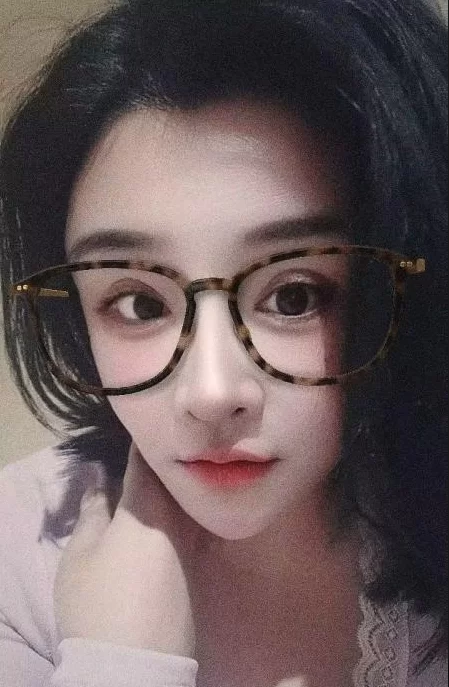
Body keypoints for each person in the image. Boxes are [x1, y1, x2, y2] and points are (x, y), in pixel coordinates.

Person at [0, 0, 447, 685]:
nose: (210, 393)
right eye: (140, 303)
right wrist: (117, 664)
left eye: (294, 296)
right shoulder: (17, 560)